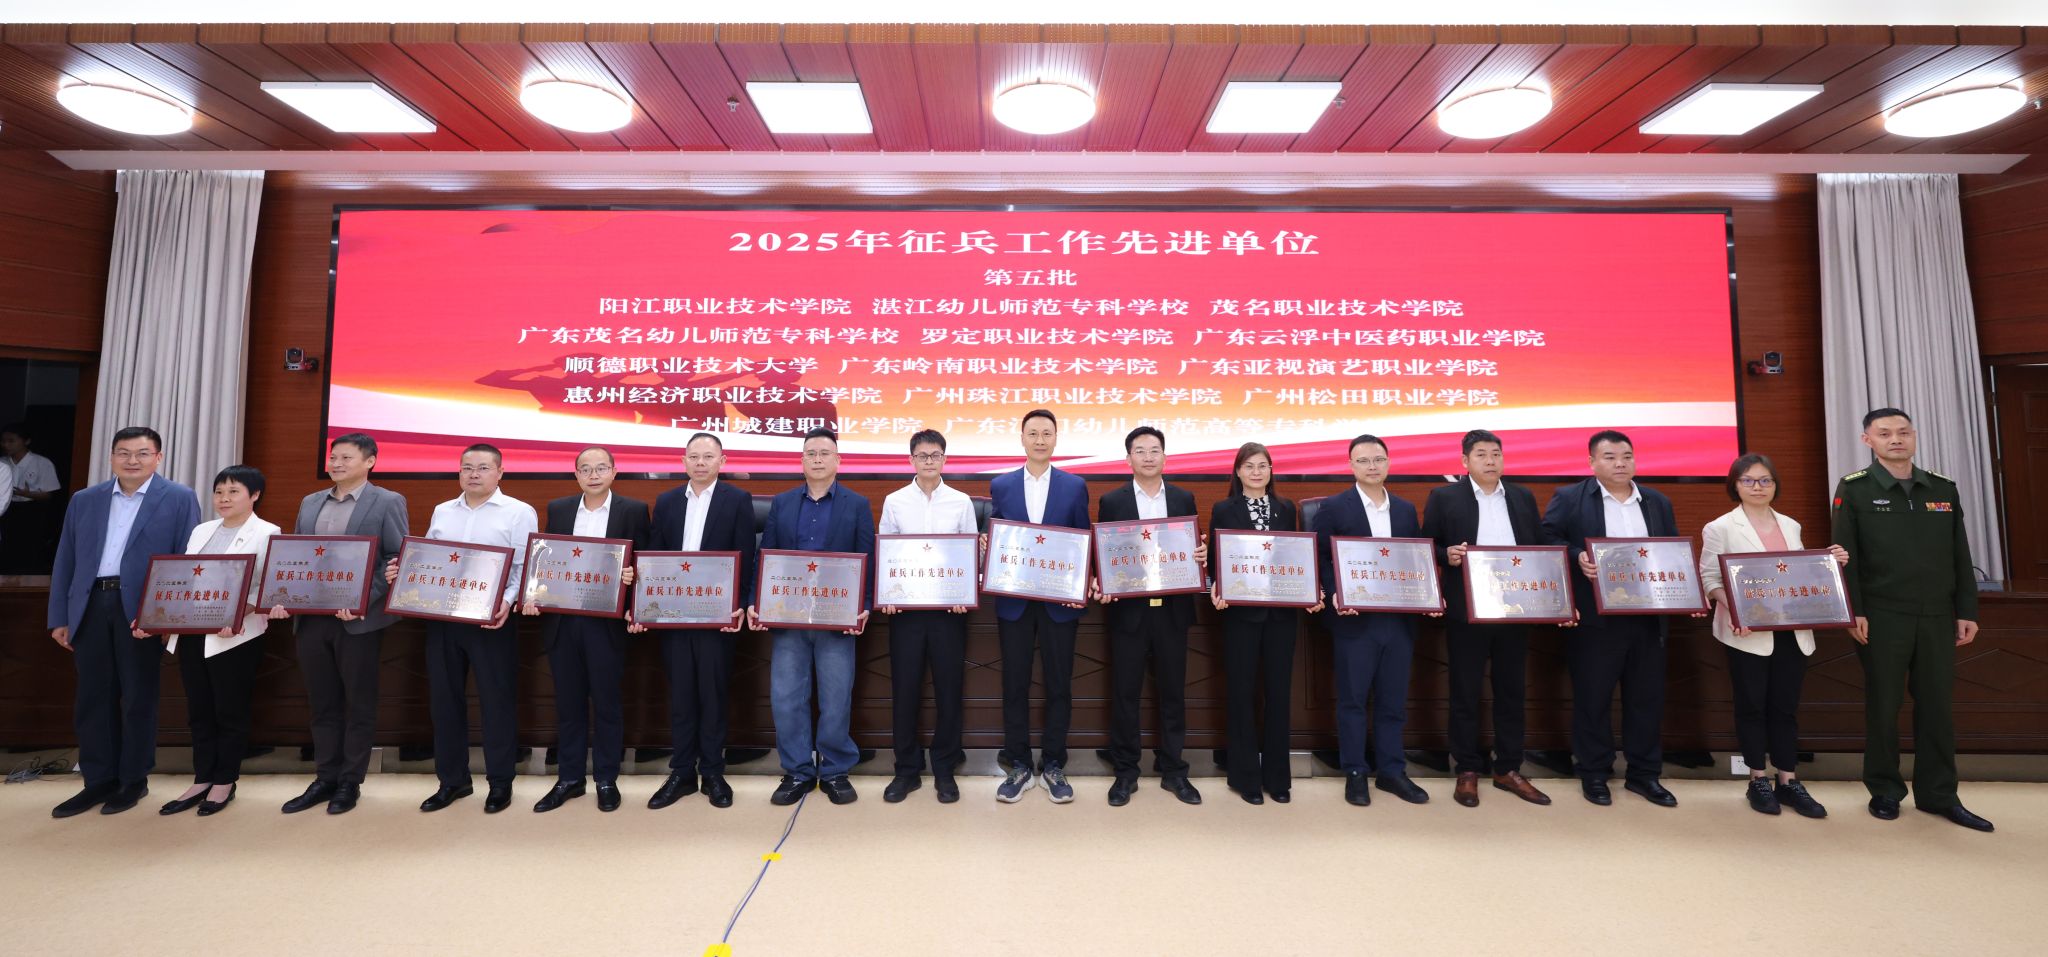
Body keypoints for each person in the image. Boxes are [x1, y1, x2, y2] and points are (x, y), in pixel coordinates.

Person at [1832, 407, 1993, 832]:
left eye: (1903, 432)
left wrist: (1967, 610)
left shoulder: (1942, 488)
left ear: (1914, 436)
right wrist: (1853, 610)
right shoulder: (1855, 489)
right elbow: (1845, 554)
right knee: (1884, 706)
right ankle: (1885, 790)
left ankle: (1940, 794)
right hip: (1881, 616)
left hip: (1937, 615)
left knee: (1937, 707)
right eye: (1885, 433)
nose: (1896, 440)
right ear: (1868, 440)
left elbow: (1960, 552)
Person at [46, 426, 202, 818]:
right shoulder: (85, 499)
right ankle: (97, 781)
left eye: (143, 453)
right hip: (90, 604)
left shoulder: (179, 497)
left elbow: (185, 561)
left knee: (137, 697)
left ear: (158, 458)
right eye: (124, 453)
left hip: (142, 610)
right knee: (92, 697)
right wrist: (60, 616)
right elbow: (65, 558)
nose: (133, 460)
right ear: (112, 456)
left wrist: (168, 617)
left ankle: (133, 780)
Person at [1541, 429, 1686, 808]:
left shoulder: (1656, 501)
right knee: (1593, 698)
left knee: (1646, 699)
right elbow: (1546, 538)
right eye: (1609, 457)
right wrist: (1576, 556)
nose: (1620, 463)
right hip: (1595, 618)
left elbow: (1671, 549)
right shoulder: (1570, 498)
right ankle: (1593, 772)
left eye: (1626, 456)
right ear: (1591, 462)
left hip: (1648, 617)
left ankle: (1644, 774)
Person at [1699, 453, 1844, 818]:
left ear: (1775, 485)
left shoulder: (1791, 524)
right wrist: (1737, 610)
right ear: (1735, 486)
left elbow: (1799, 574)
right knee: (1751, 706)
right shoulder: (1720, 527)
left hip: (1792, 631)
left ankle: (1789, 780)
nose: (1758, 487)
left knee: (1785, 707)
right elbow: (1710, 580)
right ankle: (1757, 779)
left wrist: (1830, 563)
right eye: (1748, 480)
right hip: (1746, 632)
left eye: (1766, 480)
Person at [395, 443, 536, 815]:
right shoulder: (443, 511)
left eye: (483, 467)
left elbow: (524, 567)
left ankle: (500, 782)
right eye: (467, 467)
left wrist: (507, 602)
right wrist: (405, 572)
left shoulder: (518, 512)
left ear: (500, 472)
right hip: (443, 620)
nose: (474, 474)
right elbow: (430, 561)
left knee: (496, 702)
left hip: (492, 621)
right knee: (444, 702)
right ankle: (452, 781)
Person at [276, 433, 408, 816]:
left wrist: (362, 600)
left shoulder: (387, 501)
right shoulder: (310, 502)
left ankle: (350, 782)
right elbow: (297, 555)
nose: (336, 463)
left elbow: (396, 559)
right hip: (312, 619)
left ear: (370, 461)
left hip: (357, 621)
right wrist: (284, 595)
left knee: (359, 703)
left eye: (346, 457)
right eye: (333, 457)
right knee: (322, 703)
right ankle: (325, 777)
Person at [1421, 429, 1551, 808]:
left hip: (1516, 610)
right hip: (1468, 611)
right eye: (1481, 454)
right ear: (1465, 461)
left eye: (1496, 454)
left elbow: (1539, 548)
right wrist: (1448, 554)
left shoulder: (1522, 497)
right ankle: (1467, 769)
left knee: (1512, 691)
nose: (1490, 461)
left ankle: (1508, 768)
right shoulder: (1444, 497)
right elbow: (1428, 545)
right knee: (1465, 690)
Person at [751, 428, 874, 806]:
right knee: (786, 697)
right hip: (789, 616)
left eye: (824, 453)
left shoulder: (857, 504)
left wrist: (865, 605)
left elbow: (867, 558)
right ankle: (798, 771)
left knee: (836, 697)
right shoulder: (783, 503)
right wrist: (757, 600)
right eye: (811, 453)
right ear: (802, 460)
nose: (817, 459)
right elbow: (766, 554)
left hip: (837, 617)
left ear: (838, 460)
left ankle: (835, 770)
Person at [523, 447, 649, 813]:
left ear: (614, 472)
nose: (593, 475)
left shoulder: (633, 510)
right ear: (576, 474)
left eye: (600, 468)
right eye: (585, 469)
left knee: (607, 704)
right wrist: (533, 594)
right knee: (569, 704)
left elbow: (646, 561)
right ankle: (570, 779)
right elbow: (547, 560)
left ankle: (606, 779)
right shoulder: (560, 509)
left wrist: (634, 575)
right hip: (563, 622)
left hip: (606, 625)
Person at [1313, 434, 1433, 806]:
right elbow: (1321, 556)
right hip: (1355, 619)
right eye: (1363, 460)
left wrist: (1428, 593)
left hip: (1398, 620)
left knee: (1393, 700)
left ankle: (1392, 771)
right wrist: (1336, 592)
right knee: (1352, 700)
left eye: (1378, 459)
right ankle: (1355, 771)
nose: (1372, 466)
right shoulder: (1334, 507)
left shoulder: (1405, 509)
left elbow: (1414, 557)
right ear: (1351, 466)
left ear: (1389, 463)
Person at [639, 432, 755, 810]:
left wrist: (739, 605)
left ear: (722, 461)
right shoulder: (667, 501)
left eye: (708, 456)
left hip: (716, 616)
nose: (700, 463)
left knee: (712, 694)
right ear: (684, 461)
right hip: (674, 616)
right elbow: (654, 556)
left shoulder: (737, 500)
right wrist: (646, 605)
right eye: (694, 456)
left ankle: (714, 773)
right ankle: (682, 773)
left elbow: (745, 556)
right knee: (682, 697)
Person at [154, 465, 278, 817]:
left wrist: (236, 614)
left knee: (229, 710)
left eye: (233, 491)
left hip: (235, 637)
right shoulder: (202, 530)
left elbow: (267, 586)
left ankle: (225, 781)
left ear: (254, 495)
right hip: (193, 632)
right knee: (199, 709)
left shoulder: (268, 532)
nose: (224, 498)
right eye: (219, 491)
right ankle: (202, 778)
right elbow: (183, 579)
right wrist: (163, 615)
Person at [1096, 426, 1207, 807]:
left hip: (1172, 612)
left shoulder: (1182, 497)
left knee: (1173, 693)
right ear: (1128, 458)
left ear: (1165, 456)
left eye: (1154, 450)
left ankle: (1174, 769)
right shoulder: (1112, 501)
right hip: (1129, 613)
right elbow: (1106, 552)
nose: (1147, 457)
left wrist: (1199, 555)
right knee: (1125, 694)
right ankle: (1126, 772)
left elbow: (1190, 548)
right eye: (1140, 451)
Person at [987, 408, 1091, 804]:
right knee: (1014, 684)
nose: (1040, 440)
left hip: (1059, 602)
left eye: (1047, 433)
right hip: (1014, 601)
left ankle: (1053, 764)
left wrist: (1082, 581)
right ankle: (1017, 764)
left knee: (1058, 684)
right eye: (1033, 433)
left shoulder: (1074, 486)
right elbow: (998, 536)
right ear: (1022, 438)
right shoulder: (1002, 485)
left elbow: (1082, 538)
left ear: (1056, 438)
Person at [1209, 442, 1321, 804]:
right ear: (1238, 472)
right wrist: (1217, 587)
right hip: (1240, 614)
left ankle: (1278, 778)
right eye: (1249, 466)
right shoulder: (1224, 509)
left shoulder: (1285, 508)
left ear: (1271, 471)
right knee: (1241, 694)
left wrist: (1309, 587)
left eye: (1263, 466)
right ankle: (1245, 778)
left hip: (1280, 615)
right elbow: (1215, 560)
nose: (1256, 472)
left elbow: (1294, 556)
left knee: (1278, 694)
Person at [877, 429, 976, 804]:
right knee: (905, 690)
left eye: (935, 455)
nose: (929, 461)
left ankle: (945, 769)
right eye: (922, 455)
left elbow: (969, 554)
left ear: (945, 460)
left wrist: (964, 593)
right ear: (911, 460)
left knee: (949, 690)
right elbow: (887, 553)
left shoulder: (961, 502)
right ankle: (906, 769)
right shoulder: (895, 501)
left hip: (949, 613)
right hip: (906, 613)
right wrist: (887, 594)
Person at [2, 423, 62, 574]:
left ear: (26, 441)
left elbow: (49, 494)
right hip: (6, 511)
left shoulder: (42, 463)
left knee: (30, 551)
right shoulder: (2, 463)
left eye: (11, 441)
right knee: (6, 549)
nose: (6, 445)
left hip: (32, 511)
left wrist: (26, 494)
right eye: (3, 441)